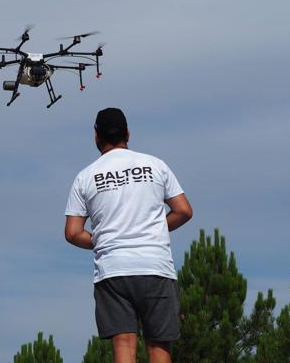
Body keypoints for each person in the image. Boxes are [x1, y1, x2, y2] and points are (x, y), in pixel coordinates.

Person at [64, 108, 193, 363]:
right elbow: (183, 210)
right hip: (155, 265)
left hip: (113, 269)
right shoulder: (155, 165)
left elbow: (72, 232)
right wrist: (151, 228)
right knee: (158, 347)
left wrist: (104, 240)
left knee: (123, 346)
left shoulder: (85, 176)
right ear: (128, 134)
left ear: (96, 137)